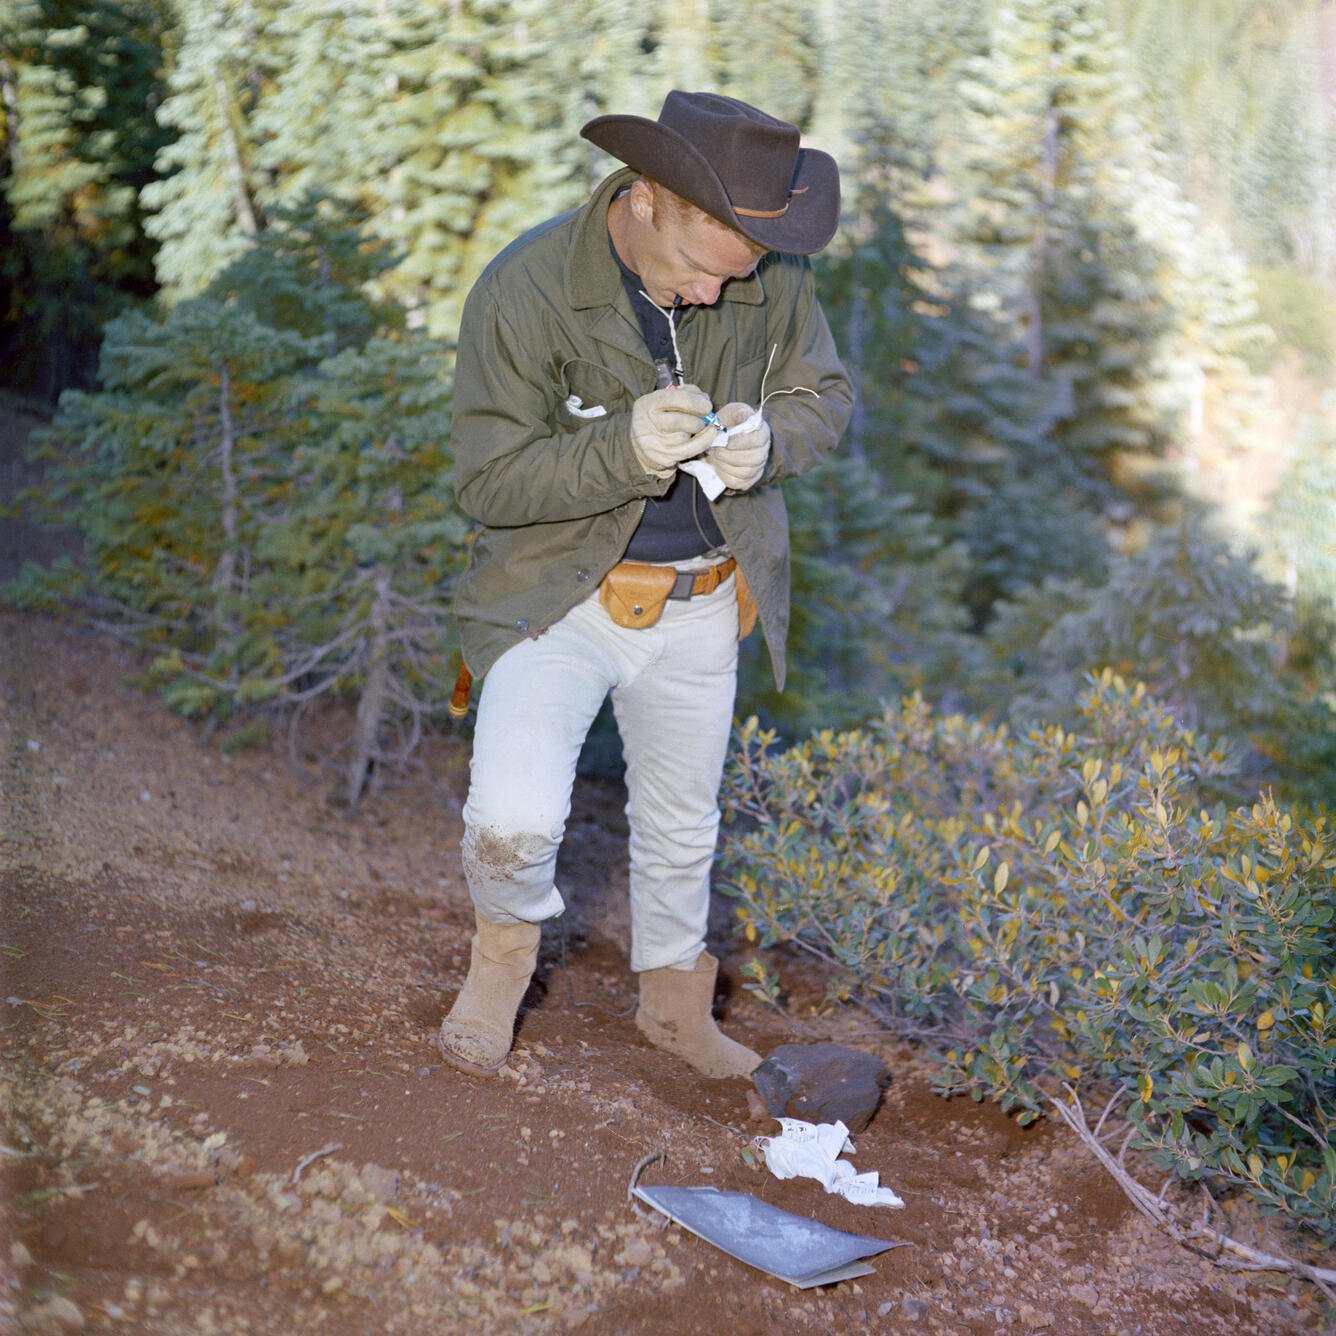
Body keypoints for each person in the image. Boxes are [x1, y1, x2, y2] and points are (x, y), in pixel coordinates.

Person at [439, 90, 853, 1081]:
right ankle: (498, 968)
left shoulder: (764, 275)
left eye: (739, 275)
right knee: (513, 817)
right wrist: (618, 450)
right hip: (558, 598)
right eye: (705, 273)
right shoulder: (526, 287)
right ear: (654, 201)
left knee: (681, 823)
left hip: (704, 595)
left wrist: (770, 443)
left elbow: (824, 395)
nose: (718, 297)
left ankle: (673, 1003)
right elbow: (488, 479)